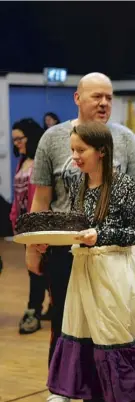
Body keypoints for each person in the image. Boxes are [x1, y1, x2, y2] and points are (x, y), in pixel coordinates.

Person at [26, 72, 135, 402]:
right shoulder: (52, 138)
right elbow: (42, 195)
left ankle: (124, 394)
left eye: (109, 97)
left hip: (113, 257)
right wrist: (33, 247)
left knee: (117, 325)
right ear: (77, 98)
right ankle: (61, 390)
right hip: (68, 253)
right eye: (96, 96)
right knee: (68, 324)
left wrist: (131, 249)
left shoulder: (125, 139)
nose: (104, 103)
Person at [47, 122, 135, 402]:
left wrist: (101, 234)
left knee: (116, 345)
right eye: (72, 150)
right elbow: (75, 223)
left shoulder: (123, 185)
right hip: (84, 272)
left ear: (101, 151)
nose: (74, 157)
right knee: (86, 345)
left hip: (116, 272)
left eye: (80, 150)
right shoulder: (77, 183)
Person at [10, 118, 49, 334]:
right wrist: (14, 218)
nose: (16, 143)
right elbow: (18, 197)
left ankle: (33, 310)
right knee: (34, 269)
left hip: (39, 225)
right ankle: (45, 306)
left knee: (39, 270)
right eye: (14, 140)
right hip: (24, 226)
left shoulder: (40, 163)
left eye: (19, 139)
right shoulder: (22, 161)